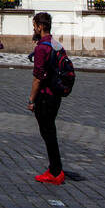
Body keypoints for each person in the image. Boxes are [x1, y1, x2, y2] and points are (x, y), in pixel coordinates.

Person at [28, 11, 65, 185]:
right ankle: (55, 168)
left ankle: (55, 172)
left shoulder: (41, 48)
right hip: (56, 95)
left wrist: (31, 100)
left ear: (41, 26)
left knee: (48, 133)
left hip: (46, 96)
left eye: (35, 25)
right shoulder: (56, 44)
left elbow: (38, 78)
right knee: (50, 132)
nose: (34, 28)